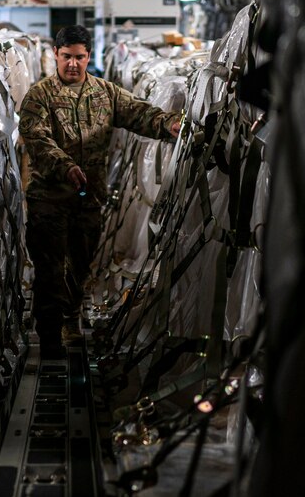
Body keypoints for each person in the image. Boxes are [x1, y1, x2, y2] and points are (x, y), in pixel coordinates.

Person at [19, 25, 182, 358]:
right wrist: (64, 166)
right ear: (55, 55)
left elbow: (139, 113)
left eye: (80, 57)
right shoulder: (40, 95)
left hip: (88, 200)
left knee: (81, 264)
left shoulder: (106, 93)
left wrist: (170, 124)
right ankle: (49, 336)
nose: (73, 64)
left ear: (88, 56)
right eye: (67, 57)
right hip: (49, 199)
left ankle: (71, 319)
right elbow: (36, 139)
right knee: (49, 269)